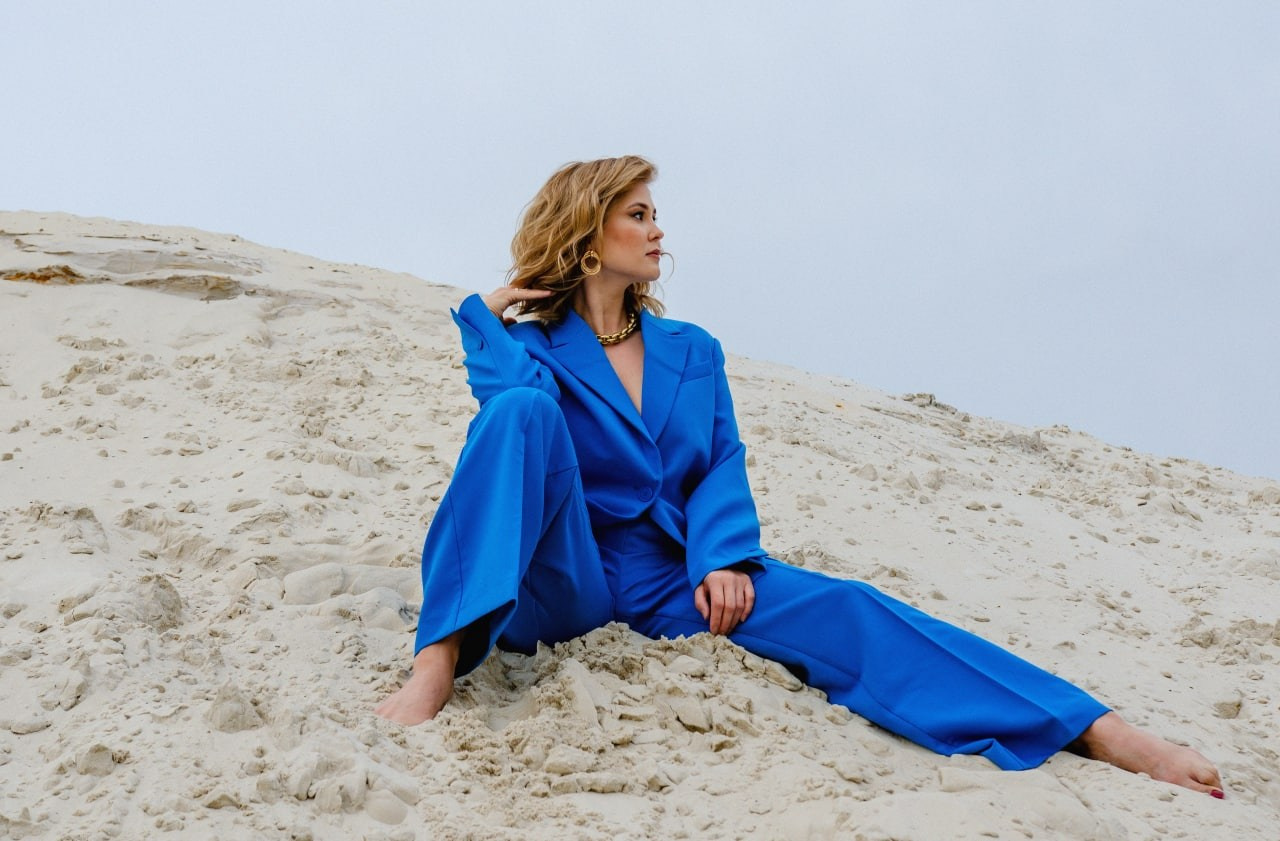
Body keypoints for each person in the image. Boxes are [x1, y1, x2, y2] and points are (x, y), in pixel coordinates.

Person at [375, 155, 1223, 797]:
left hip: (675, 576)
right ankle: (439, 658)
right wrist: (485, 322)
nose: (659, 230)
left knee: (854, 608)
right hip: (569, 575)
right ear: (590, 236)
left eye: (656, 213)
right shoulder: (526, 346)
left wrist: (722, 558)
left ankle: (1096, 726)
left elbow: (719, 464)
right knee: (520, 416)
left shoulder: (691, 352)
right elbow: (509, 423)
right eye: (639, 214)